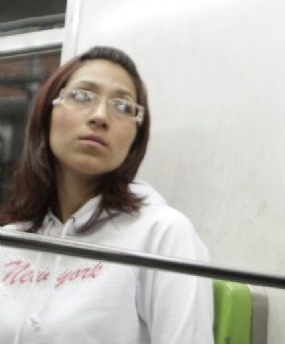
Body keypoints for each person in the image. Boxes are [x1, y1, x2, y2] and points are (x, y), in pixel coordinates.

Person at [0, 46, 213, 344]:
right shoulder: (12, 240)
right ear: (48, 111)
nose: (100, 116)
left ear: (135, 137)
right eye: (83, 96)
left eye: (123, 106)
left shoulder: (162, 235)